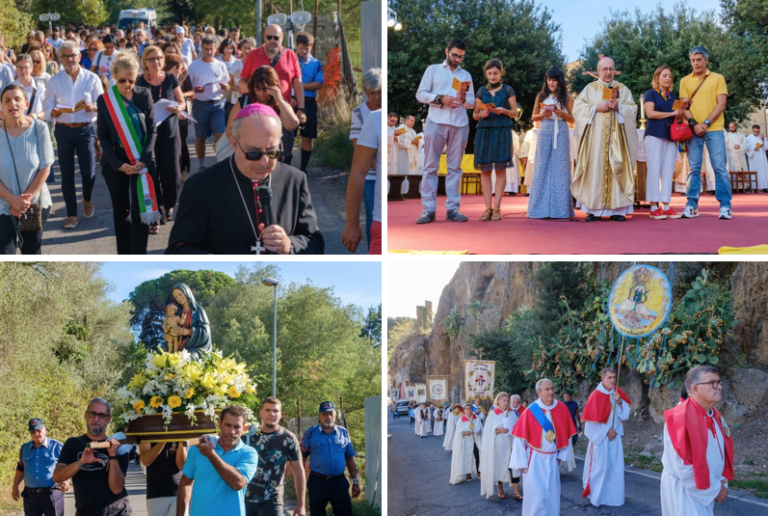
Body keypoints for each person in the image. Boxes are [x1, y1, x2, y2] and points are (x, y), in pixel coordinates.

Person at [167, 103, 323, 254]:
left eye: (272, 152)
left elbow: (314, 242)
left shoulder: (295, 180)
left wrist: (290, 246)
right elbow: (178, 248)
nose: (264, 162)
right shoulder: (201, 185)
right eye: (253, 153)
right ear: (234, 143)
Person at [97, 53, 161, 254]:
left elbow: (152, 129)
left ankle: (139, 253)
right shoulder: (105, 100)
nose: (127, 84)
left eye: (132, 80)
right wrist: (117, 164)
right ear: (114, 76)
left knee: (141, 210)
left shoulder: (144, 95)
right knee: (121, 211)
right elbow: (103, 136)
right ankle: (124, 253)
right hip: (116, 162)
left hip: (142, 160)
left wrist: (144, 160)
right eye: (122, 80)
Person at [43, 40, 103, 230]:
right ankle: (71, 214)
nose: (70, 59)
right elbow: (46, 107)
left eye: (73, 55)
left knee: (89, 172)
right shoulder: (55, 80)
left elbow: (102, 103)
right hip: (63, 129)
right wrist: (54, 112)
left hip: (85, 129)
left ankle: (87, 197)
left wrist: (95, 106)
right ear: (60, 59)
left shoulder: (92, 78)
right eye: (66, 56)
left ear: (79, 56)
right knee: (67, 174)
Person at [661, 366, 734, 515]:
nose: (719, 387)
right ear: (695, 389)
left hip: (709, 484)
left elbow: (720, 451)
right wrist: (714, 489)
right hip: (685, 492)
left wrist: (721, 481)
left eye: (719, 382)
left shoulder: (714, 415)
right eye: (713, 383)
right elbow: (684, 468)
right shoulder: (680, 418)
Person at [415, 37, 474, 224]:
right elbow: (420, 94)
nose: (457, 59)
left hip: (460, 122)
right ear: (446, 51)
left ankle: (453, 209)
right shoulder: (432, 70)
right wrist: (441, 99)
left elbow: (472, 103)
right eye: (454, 55)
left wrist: (463, 98)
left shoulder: (466, 75)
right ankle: (428, 209)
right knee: (430, 166)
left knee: (455, 167)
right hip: (436, 120)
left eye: (461, 57)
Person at [572, 56, 637, 221]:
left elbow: (632, 109)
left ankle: (618, 210)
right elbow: (577, 108)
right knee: (595, 169)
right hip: (596, 141)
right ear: (598, 71)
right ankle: (594, 210)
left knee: (618, 169)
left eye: (611, 69)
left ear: (614, 70)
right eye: (604, 69)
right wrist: (595, 108)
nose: (608, 72)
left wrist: (619, 107)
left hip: (617, 140)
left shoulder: (622, 89)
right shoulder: (590, 89)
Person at [239, 24, 306, 165]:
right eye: (269, 37)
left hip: (282, 110)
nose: (272, 40)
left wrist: (301, 108)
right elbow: (242, 81)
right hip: (259, 112)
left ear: (282, 38)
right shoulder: (253, 55)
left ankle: (281, 183)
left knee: (284, 153)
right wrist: (254, 90)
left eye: (276, 37)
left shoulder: (290, 55)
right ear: (265, 37)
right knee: (260, 152)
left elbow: (298, 83)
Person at [0, 84, 54, 254]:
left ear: (26, 105)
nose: (12, 104)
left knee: (31, 252)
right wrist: (12, 200)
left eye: (17, 99)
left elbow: (46, 166)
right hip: (2, 203)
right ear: (1, 105)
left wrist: (23, 201)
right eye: (7, 100)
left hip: (34, 203)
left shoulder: (40, 128)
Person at [53, 398, 132, 515]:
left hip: (118, 512)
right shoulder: (73, 443)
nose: (96, 419)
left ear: (108, 419)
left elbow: (116, 489)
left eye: (102, 415)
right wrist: (81, 462)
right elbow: (57, 477)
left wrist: (112, 455)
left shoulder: (118, 446)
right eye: (92, 414)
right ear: (85, 415)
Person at [510, 378, 576, 516]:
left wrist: (561, 456)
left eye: (552, 388)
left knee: (552, 493)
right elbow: (519, 439)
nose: (551, 392)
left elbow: (566, 435)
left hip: (552, 458)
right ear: (538, 392)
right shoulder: (530, 411)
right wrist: (520, 462)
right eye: (547, 389)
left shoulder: (561, 408)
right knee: (536, 495)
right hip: (534, 459)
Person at [679, 46, 732, 219]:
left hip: (714, 129)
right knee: (693, 167)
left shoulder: (717, 78)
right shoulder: (685, 81)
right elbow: (684, 107)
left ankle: (725, 205)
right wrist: (694, 124)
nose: (696, 63)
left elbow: (721, 104)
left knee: (719, 167)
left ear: (706, 60)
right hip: (693, 130)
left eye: (699, 59)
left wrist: (706, 123)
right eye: (693, 60)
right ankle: (692, 205)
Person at [176, 405, 259, 516]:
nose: (232, 431)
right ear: (219, 424)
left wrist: (211, 455)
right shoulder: (198, 449)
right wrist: (180, 514)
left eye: (237, 427)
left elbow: (238, 483)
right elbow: (185, 483)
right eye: (228, 425)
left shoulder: (248, 453)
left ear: (244, 429)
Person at [137, 46, 186, 226]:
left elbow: (182, 102)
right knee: (153, 173)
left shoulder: (171, 78)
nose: (156, 62)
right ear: (145, 63)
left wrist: (179, 108)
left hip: (171, 131)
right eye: (152, 59)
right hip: (149, 135)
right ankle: (158, 211)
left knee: (173, 175)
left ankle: (169, 203)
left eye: (159, 58)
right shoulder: (139, 81)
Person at [471, 59, 518, 221]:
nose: (492, 76)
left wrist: (504, 111)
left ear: (501, 73)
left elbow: (515, 112)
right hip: (484, 132)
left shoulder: (508, 90)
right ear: (486, 74)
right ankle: (487, 208)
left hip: (502, 132)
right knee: (484, 171)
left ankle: (497, 208)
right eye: (490, 73)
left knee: (500, 170)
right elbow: (475, 115)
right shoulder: (481, 91)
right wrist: (481, 115)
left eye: (495, 73)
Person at [527, 67, 574, 219]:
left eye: (554, 80)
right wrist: (543, 114)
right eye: (549, 80)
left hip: (561, 130)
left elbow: (572, 119)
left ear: (560, 81)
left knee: (560, 168)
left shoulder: (567, 97)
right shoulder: (541, 96)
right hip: (545, 130)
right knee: (542, 166)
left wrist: (563, 114)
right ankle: (539, 209)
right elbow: (534, 117)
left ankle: (561, 210)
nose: (551, 83)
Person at [245, 397, 306, 516]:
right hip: (245, 499)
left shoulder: (288, 438)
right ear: (261, 413)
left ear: (281, 414)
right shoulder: (247, 435)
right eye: (268, 410)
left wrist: (301, 504)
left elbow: (299, 471)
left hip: (272, 501)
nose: (271, 414)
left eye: (275, 411)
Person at [581, 367, 631, 507]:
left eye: (614, 377)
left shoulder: (617, 392)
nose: (612, 380)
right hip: (601, 439)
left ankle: (614, 498)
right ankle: (598, 496)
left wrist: (619, 401)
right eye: (609, 377)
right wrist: (606, 431)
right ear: (602, 378)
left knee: (615, 468)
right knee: (601, 469)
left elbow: (625, 415)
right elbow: (590, 423)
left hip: (615, 439)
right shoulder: (595, 395)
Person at [301, 401, 360, 516]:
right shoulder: (311, 433)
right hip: (317, 482)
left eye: (331, 414)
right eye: (324, 414)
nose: (328, 417)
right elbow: (301, 458)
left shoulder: (343, 433)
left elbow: (350, 459)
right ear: (319, 416)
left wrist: (355, 481)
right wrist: (302, 482)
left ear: (335, 415)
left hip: (339, 483)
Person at [225, 65, 300, 154]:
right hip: (251, 153)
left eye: (265, 89)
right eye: (258, 89)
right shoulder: (244, 101)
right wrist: (247, 136)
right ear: (252, 87)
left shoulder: (279, 103)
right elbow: (229, 130)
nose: (261, 94)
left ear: (274, 87)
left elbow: (292, 125)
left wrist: (279, 99)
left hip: (273, 153)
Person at [643, 65, 684, 219]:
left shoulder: (673, 97)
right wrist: (671, 113)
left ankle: (666, 205)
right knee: (654, 170)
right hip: (654, 134)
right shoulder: (651, 93)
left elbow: (676, 116)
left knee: (668, 171)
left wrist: (679, 114)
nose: (667, 78)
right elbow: (650, 113)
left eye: (669, 76)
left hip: (670, 136)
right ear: (657, 78)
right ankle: (654, 207)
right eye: (664, 75)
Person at [348, 69, 383, 250]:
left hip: (382, 173)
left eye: (380, 92)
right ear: (364, 92)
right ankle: (373, 249)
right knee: (372, 216)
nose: (377, 97)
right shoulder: (359, 113)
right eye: (372, 94)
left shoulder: (385, 112)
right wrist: (375, 159)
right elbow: (358, 147)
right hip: (369, 175)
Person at [343, 103, 382, 254]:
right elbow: (358, 171)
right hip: (381, 222)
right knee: (369, 214)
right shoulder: (375, 118)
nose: (377, 97)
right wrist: (352, 223)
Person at [187, 36, 230, 170]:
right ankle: (202, 164)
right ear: (202, 48)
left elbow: (228, 84)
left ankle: (221, 162)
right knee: (200, 137)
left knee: (219, 134)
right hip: (200, 105)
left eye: (211, 49)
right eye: (206, 49)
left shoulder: (220, 65)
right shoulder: (194, 65)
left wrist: (225, 87)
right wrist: (195, 89)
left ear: (216, 49)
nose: (209, 52)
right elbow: (188, 88)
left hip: (217, 104)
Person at [12, 418, 69, 516]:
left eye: (39, 430)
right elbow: (21, 468)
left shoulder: (57, 446)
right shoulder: (24, 448)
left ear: (45, 430)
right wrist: (15, 486)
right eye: (33, 431)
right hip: (30, 496)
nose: (36, 434)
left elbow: (66, 467)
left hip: (52, 494)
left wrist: (65, 480)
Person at [295, 32, 323, 173]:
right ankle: (285, 165)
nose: (304, 51)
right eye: (301, 48)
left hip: (309, 102)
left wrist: (298, 85)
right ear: (296, 46)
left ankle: (303, 169)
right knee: (287, 136)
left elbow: (318, 84)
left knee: (307, 137)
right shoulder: (291, 60)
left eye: (307, 48)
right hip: (292, 103)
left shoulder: (317, 64)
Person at [139, 440, 187, 516]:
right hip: (156, 492)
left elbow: (181, 465)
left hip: (178, 492)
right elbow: (145, 460)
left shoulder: (179, 430)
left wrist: (181, 442)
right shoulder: (147, 431)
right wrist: (162, 441)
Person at [480, 392, 513, 500]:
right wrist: (499, 430)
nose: (506, 403)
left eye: (508, 401)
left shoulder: (512, 413)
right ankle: (500, 489)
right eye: (504, 400)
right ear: (498, 401)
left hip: (511, 444)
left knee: (513, 467)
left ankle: (516, 490)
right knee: (498, 467)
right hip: (498, 446)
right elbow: (488, 431)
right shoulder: (493, 414)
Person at [449, 402, 483, 484]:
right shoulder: (461, 420)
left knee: (478, 456)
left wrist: (479, 432)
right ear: (464, 410)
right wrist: (464, 433)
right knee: (467, 457)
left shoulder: (476, 418)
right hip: (466, 442)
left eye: (470, 408)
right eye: (467, 409)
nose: (469, 410)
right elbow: (459, 432)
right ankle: (468, 474)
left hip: (476, 440)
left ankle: (479, 472)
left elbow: (481, 428)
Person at [216, 38, 239, 122]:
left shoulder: (236, 61)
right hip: (219, 91)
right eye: (226, 48)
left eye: (231, 48)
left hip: (232, 92)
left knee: (229, 113)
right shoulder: (217, 60)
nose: (228, 51)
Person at [507, 395, 525, 501]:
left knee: (516, 467)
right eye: (513, 402)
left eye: (517, 402)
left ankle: (517, 491)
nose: (515, 404)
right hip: (505, 440)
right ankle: (501, 489)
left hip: (517, 440)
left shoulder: (523, 410)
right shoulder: (506, 410)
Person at [744, 124, 768, 192]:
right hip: (753, 158)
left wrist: (763, 141)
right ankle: (754, 187)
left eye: (758, 131)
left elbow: (766, 148)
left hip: (762, 157)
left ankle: (765, 187)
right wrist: (754, 148)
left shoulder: (761, 137)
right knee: (755, 172)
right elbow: (746, 149)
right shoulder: (748, 138)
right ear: (752, 130)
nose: (756, 133)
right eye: (755, 131)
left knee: (763, 171)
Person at [521, 122, 540, 195]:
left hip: (541, 157)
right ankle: (529, 191)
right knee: (530, 174)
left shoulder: (544, 131)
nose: (537, 123)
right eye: (536, 122)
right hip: (531, 156)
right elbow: (525, 144)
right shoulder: (530, 132)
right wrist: (524, 154)